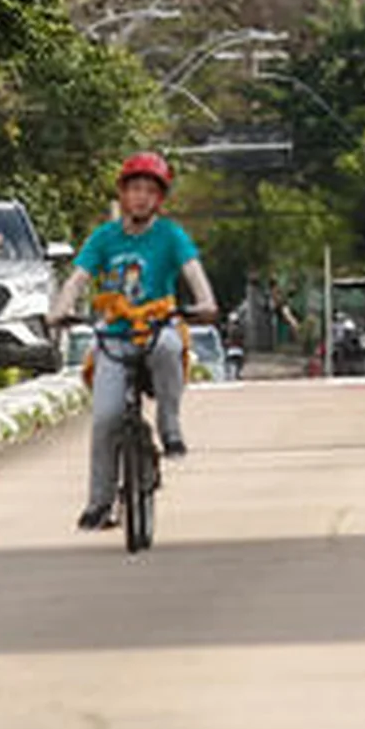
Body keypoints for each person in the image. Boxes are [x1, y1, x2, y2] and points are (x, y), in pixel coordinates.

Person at [55, 150, 219, 530]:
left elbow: (194, 273)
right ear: (123, 194)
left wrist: (205, 303)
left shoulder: (170, 235)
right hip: (114, 338)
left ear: (159, 199)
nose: (142, 197)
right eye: (135, 189)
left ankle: (169, 426)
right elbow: (77, 279)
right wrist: (59, 311)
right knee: (105, 419)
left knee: (169, 347)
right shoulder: (104, 237)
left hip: (157, 328)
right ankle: (100, 503)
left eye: (150, 191)